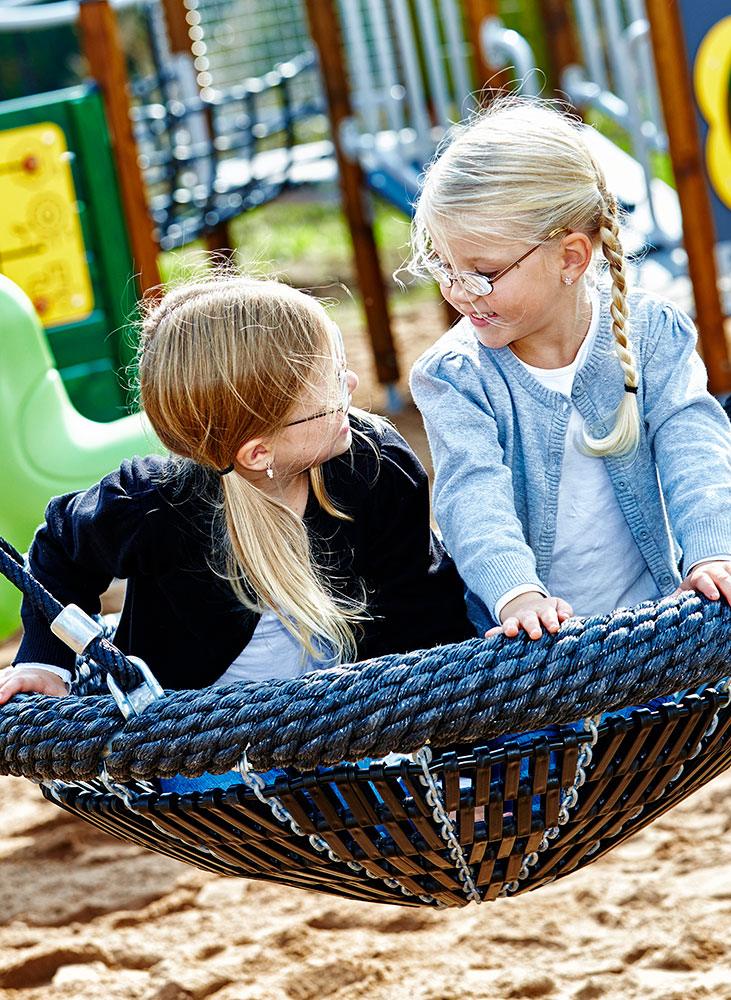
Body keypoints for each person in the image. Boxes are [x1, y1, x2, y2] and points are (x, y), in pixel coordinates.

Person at [0, 274, 472, 707]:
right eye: (330, 384)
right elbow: (61, 551)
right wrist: (44, 661)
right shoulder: (157, 504)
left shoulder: (374, 466)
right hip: (191, 733)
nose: (350, 384)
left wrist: (439, 707)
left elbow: (421, 599)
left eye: (341, 366)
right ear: (257, 453)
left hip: (342, 714)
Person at [408, 98, 731, 644]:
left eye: (481, 273)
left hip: (658, 618)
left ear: (571, 259)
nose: (458, 292)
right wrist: (517, 595)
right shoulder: (457, 376)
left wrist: (712, 552)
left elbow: (694, 448)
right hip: (535, 642)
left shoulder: (651, 334)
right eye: (443, 266)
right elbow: (472, 496)